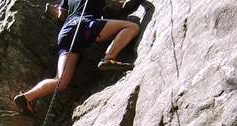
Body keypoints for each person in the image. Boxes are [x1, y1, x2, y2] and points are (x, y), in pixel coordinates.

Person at [14, 0, 142, 115]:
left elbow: (61, 16)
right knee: (131, 27)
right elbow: (121, 4)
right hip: (85, 25)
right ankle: (109, 58)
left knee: (61, 81)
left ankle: (27, 97)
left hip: (65, 33)